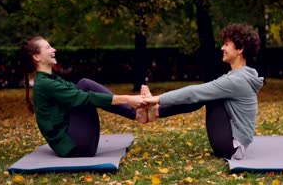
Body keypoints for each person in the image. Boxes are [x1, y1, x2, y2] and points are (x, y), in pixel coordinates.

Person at [142, 23, 264, 160]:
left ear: (240, 49)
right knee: (207, 94)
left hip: (232, 148)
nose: (222, 48)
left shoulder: (237, 80)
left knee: (206, 95)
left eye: (226, 44)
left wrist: (157, 99)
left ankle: (156, 111)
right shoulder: (240, 75)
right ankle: (157, 112)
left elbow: (195, 92)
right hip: (235, 142)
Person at [20, 35, 147, 157]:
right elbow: (85, 98)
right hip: (76, 148)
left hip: (78, 143)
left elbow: (78, 93)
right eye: (48, 47)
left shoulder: (50, 80)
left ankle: (137, 114)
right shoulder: (45, 83)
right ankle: (137, 114)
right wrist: (128, 99)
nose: (54, 49)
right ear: (37, 57)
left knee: (84, 85)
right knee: (85, 92)